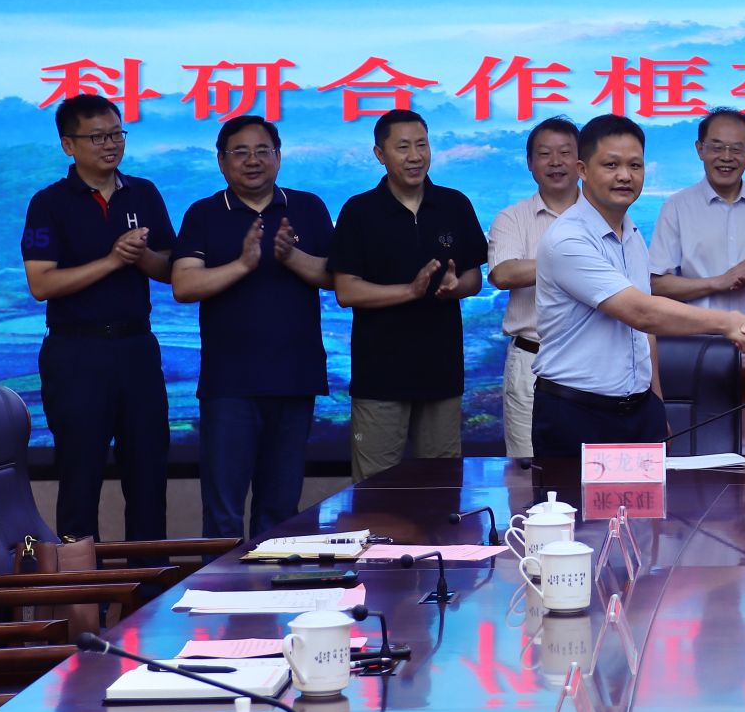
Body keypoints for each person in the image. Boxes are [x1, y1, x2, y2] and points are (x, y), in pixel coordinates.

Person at [530, 114, 745, 456]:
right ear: (582, 170)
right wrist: (729, 323)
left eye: (635, 165)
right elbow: (641, 312)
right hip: (577, 413)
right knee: (572, 496)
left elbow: (643, 332)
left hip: (639, 411)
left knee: (651, 496)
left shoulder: (632, 234)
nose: (625, 176)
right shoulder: (568, 239)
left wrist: (656, 404)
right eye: (611, 165)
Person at [170, 115, 335, 539]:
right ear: (221, 161)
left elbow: (336, 277)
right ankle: (219, 583)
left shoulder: (308, 208)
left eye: (263, 151)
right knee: (223, 513)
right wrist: (243, 264)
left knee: (279, 510)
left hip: (294, 377)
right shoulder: (205, 213)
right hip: (230, 383)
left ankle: (274, 583)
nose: (253, 160)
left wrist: (292, 257)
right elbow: (184, 285)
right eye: (240, 152)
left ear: (279, 156)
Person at [18, 94, 175, 541]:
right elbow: (41, 284)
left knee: (148, 477)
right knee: (80, 477)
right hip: (76, 352)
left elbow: (170, 269)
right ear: (68, 145)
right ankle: (80, 583)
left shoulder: (144, 192)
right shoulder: (48, 203)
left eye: (116, 134)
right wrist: (111, 260)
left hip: (137, 348)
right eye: (98, 137)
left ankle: (149, 578)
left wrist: (140, 256)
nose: (111, 145)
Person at [327, 109, 488, 480]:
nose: (415, 156)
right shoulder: (359, 211)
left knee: (442, 483)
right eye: (403, 147)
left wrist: (456, 288)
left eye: (422, 145)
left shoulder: (454, 204)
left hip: (441, 371)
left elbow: (473, 278)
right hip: (379, 375)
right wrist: (410, 291)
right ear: (380, 154)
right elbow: (346, 290)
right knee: (375, 490)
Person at [649, 108, 745, 454]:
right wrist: (719, 282)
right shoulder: (677, 206)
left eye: (736, 149)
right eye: (717, 147)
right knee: (694, 450)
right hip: (694, 349)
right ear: (700, 149)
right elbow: (657, 284)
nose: (726, 157)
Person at [486, 116, 581, 460]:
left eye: (565, 153)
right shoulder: (512, 218)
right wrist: (573, 263)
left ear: (581, 162)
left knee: (593, 468)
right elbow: (503, 273)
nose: (555, 162)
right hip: (533, 359)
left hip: (594, 363)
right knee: (528, 470)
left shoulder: (606, 215)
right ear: (529, 163)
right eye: (544, 154)